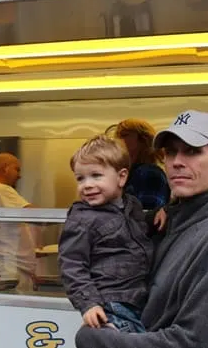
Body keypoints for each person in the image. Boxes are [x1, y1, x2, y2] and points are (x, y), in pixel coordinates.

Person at [76, 110, 208, 348]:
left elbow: (197, 343)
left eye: (193, 151)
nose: (177, 161)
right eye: (171, 152)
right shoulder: (164, 225)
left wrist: (100, 339)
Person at [59, 135, 156, 333]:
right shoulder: (82, 219)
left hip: (139, 299)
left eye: (96, 175)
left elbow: (140, 235)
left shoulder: (133, 206)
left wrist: (161, 214)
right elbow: (72, 265)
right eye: (80, 178)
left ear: (121, 177)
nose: (87, 184)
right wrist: (89, 304)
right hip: (110, 304)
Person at [0, 152, 38, 292]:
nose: (19, 175)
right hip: (7, 269)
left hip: (6, 267)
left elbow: (6, 232)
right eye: (17, 169)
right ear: (5, 168)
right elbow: (36, 216)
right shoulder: (1, 190)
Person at [116, 118, 171, 210]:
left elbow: (147, 217)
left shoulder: (149, 173)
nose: (118, 140)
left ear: (143, 140)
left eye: (124, 135)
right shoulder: (130, 173)